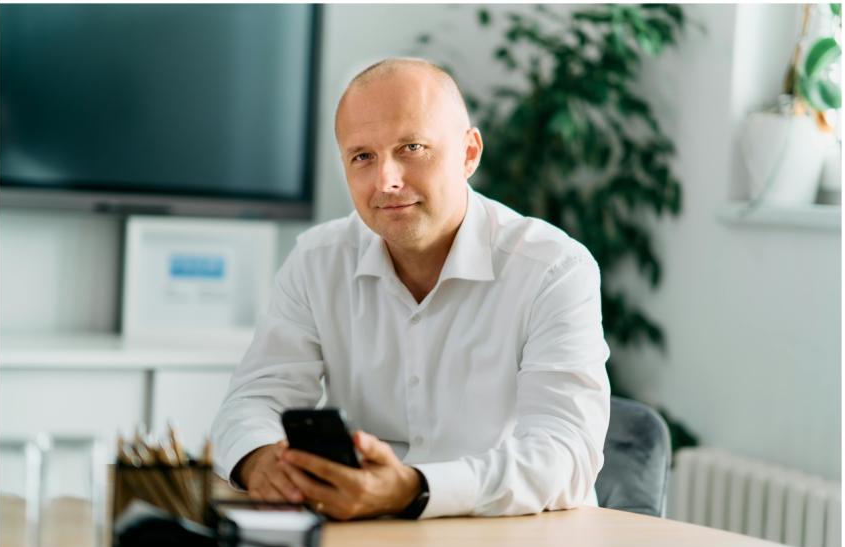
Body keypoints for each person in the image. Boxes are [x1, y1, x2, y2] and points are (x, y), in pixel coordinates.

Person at [211, 57, 611, 520]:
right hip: (363, 536)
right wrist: (261, 459)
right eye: (363, 156)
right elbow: (252, 400)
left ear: (469, 153)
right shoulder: (317, 259)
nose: (387, 181)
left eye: (412, 147)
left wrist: (414, 488)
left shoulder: (554, 269)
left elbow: (565, 456)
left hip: (512, 539)